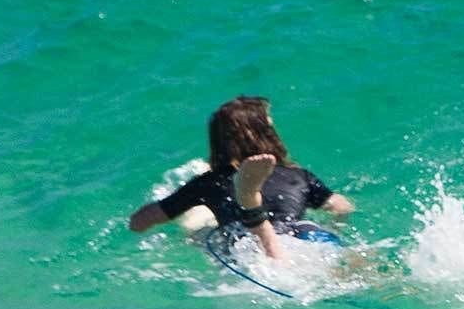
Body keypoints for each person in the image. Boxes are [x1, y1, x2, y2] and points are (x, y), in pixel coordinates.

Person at [128, 96, 354, 263]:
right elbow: (341, 206)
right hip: (307, 237)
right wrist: (337, 227)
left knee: (204, 234)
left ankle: (248, 200)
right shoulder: (298, 175)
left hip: (249, 245)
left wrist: (143, 218)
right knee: (335, 262)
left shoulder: (209, 182)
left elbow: (140, 222)